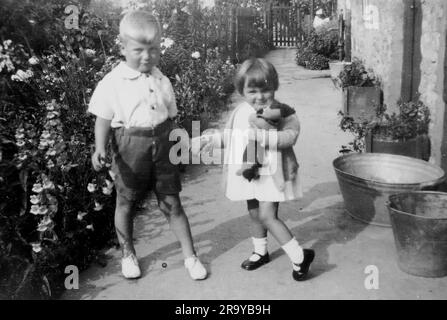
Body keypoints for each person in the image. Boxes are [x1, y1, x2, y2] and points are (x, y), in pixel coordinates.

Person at [88, 11, 207, 280]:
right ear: (122, 48)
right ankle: (128, 254)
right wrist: (99, 148)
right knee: (126, 202)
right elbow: (103, 119)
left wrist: (180, 138)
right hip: (130, 147)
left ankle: (190, 256)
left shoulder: (161, 79)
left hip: (163, 145)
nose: (147, 56)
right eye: (139, 50)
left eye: (153, 49)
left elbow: (171, 116)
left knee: (172, 202)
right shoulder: (113, 82)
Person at [201, 58, 315, 281]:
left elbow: (291, 136)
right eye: (252, 91)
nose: (260, 97)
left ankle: (299, 256)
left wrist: (265, 137)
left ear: (275, 87)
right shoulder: (240, 111)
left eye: (266, 90)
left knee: (267, 215)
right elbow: (231, 136)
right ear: (242, 91)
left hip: (272, 171)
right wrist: (213, 140)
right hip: (248, 170)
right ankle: (260, 251)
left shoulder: (283, 112)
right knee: (254, 212)